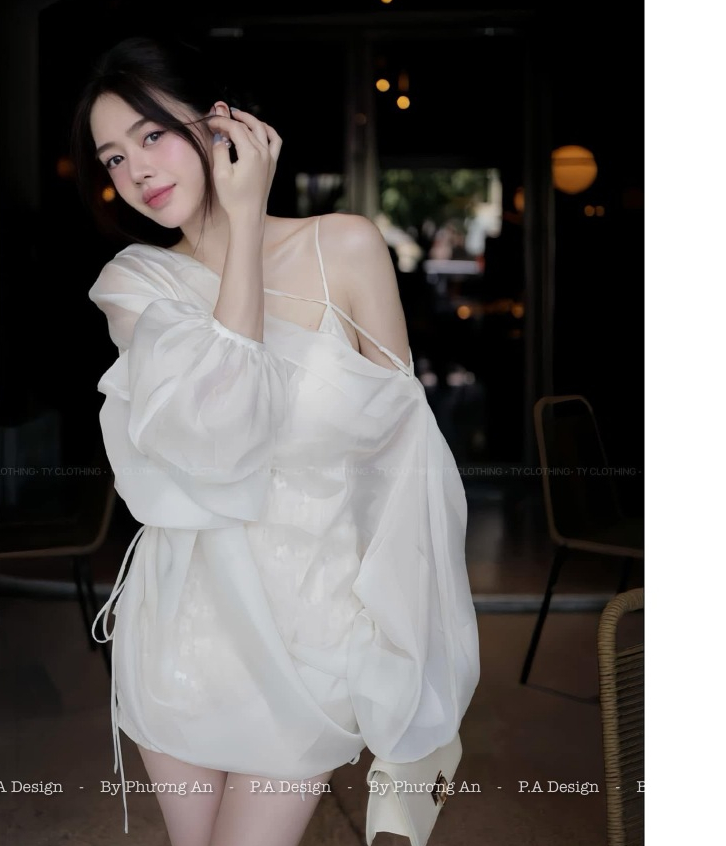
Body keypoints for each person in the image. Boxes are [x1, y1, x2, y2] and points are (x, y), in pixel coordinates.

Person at [71, 35, 480, 846]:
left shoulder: (346, 247)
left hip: (312, 634)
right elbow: (224, 427)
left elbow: (405, 470)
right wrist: (245, 225)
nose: (136, 171)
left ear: (219, 123)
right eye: (113, 158)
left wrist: (407, 655)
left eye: (152, 135)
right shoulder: (136, 283)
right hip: (180, 629)